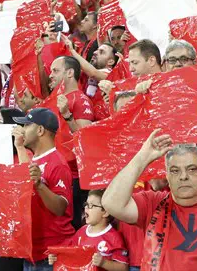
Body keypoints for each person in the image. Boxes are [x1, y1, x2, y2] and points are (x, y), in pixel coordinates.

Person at [102, 131, 197, 269]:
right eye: (175, 171)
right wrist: (143, 157)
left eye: (192, 169)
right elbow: (111, 203)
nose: (183, 176)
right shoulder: (153, 203)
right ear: (168, 177)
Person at [12, 108, 74, 270]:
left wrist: (40, 185)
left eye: (27, 126)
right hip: (32, 251)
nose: (22, 130)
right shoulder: (32, 159)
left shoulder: (58, 163)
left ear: (40, 130)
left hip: (51, 254)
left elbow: (61, 207)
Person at [47, 189, 128, 271]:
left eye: (91, 205)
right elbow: (70, 255)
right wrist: (56, 257)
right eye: (86, 204)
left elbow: (123, 268)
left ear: (105, 212)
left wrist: (104, 263)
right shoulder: (81, 231)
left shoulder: (114, 237)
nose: (86, 208)